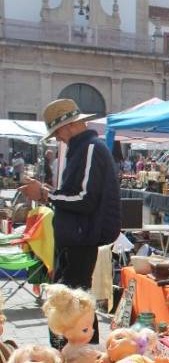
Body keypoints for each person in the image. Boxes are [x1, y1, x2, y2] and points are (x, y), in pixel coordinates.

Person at [19, 98, 120, 305]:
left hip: (81, 241)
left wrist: (45, 195)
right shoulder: (83, 149)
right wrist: (47, 191)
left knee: (71, 305)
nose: (58, 138)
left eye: (58, 132)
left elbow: (86, 199)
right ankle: (77, 338)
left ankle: (78, 339)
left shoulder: (91, 148)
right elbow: (78, 194)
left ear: (70, 125)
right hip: (75, 240)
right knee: (72, 304)